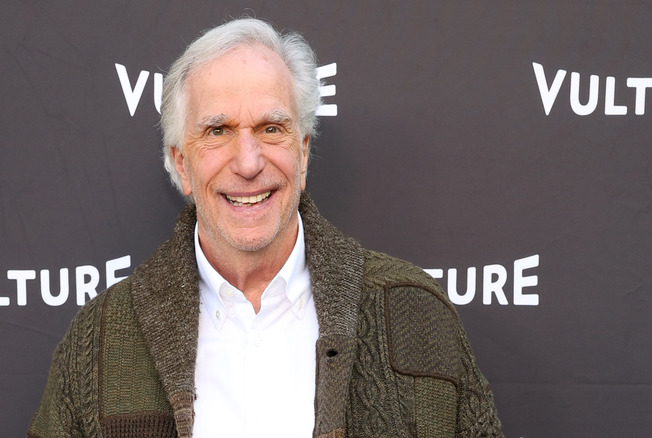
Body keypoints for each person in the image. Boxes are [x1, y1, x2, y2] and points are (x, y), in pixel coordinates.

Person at [28, 17, 503, 438]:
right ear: (181, 164)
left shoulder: (415, 313)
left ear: (302, 152)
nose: (249, 162)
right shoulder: (99, 342)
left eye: (271, 128)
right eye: (218, 131)